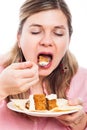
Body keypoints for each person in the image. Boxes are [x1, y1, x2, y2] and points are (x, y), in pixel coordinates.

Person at [0, 0, 87, 129]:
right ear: (19, 38)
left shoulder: (83, 79)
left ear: (69, 40)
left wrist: (82, 123)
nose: (46, 41)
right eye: (35, 31)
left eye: (58, 33)